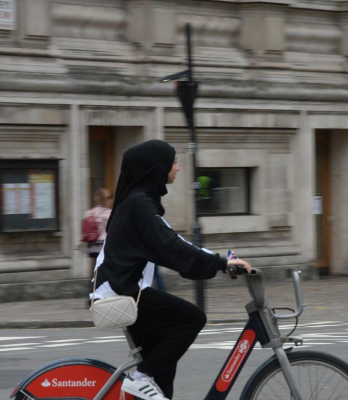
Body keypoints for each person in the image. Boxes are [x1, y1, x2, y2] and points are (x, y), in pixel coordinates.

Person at [90, 140, 252, 400]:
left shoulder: (139, 203)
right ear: (157, 166)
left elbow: (175, 243)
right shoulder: (138, 205)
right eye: (173, 161)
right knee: (192, 319)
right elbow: (172, 248)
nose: (177, 167)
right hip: (123, 294)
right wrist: (221, 264)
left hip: (122, 291)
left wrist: (221, 260)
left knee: (163, 369)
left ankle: (145, 380)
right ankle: (140, 378)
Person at [82, 188, 112, 307]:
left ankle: (91, 296)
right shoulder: (108, 213)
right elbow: (111, 231)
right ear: (105, 200)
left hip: (92, 246)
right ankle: (97, 297)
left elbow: (85, 230)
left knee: (95, 272)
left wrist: (80, 243)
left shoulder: (90, 213)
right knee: (103, 272)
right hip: (103, 246)